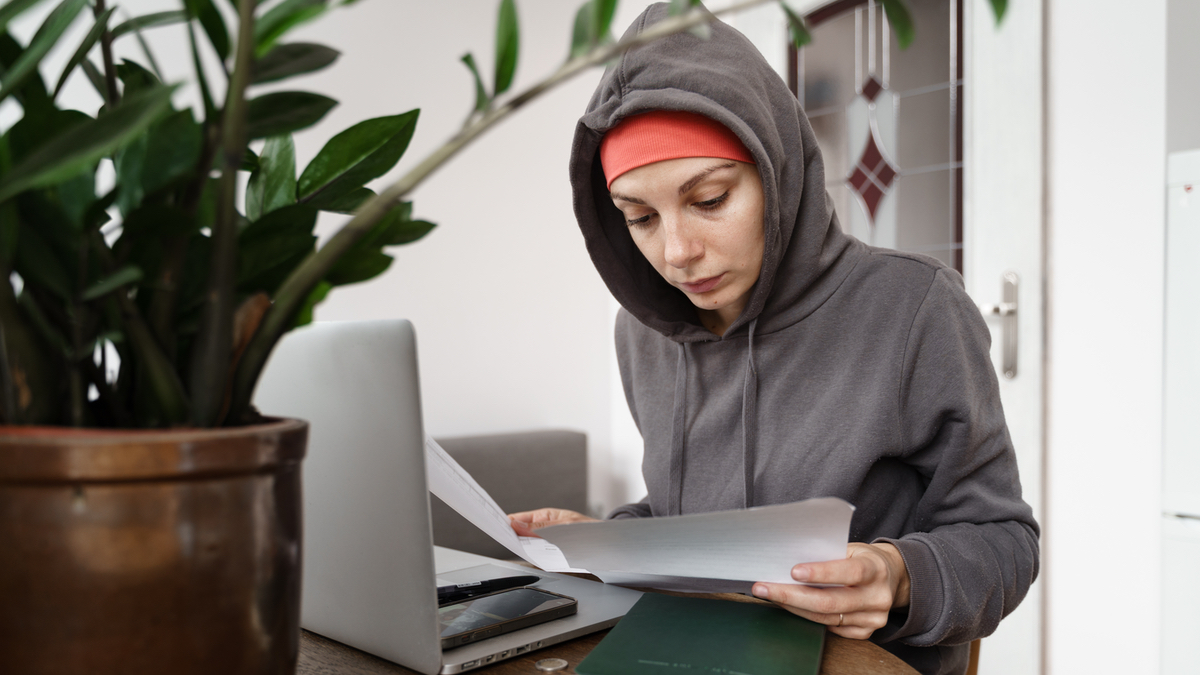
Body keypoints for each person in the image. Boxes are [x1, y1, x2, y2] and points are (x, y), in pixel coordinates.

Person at [509, 5, 1039, 675]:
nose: (676, 252)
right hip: (684, 656)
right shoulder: (642, 332)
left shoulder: (914, 310)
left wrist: (897, 572)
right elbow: (690, 515)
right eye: (639, 217)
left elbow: (1004, 540)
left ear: (776, 170)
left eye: (709, 199)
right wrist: (603, 539)